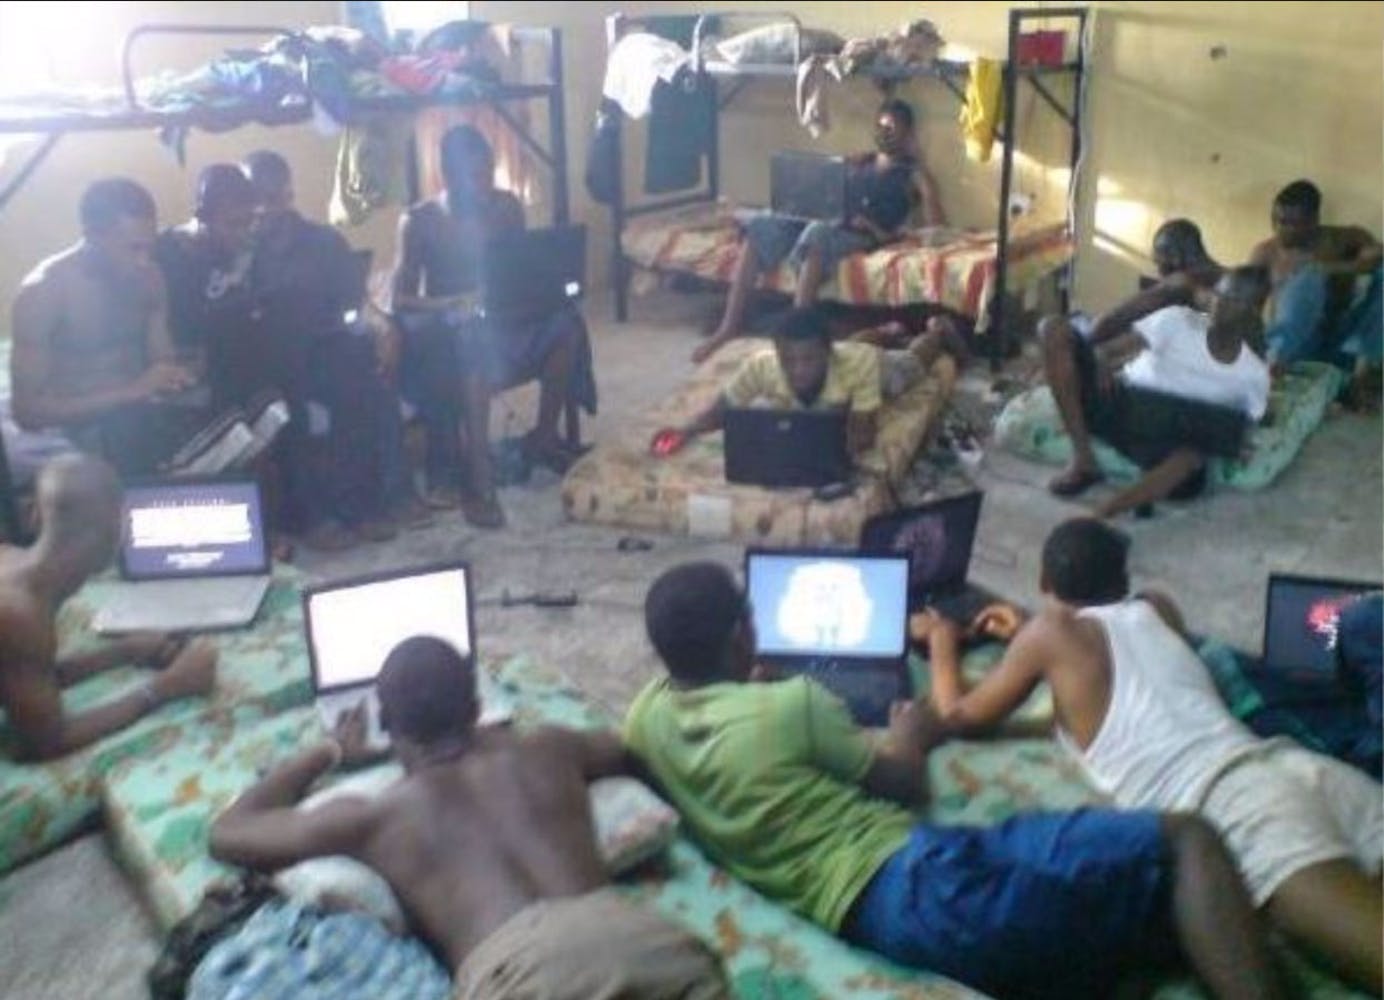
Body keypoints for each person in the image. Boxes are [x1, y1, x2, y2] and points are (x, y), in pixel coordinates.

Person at [625, 561, 1285, 1000]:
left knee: (1150, 920)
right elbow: (905, 782)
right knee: (1187, 840)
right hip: (924, 881)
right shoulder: (791, 704)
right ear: (744, 633)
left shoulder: (645, 718)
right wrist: (910, 736)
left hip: (890, 917)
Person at [914, 518, 1383, 994]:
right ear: (1123, 581)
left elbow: (956, 717)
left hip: (1235, 802)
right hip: (1297, 767)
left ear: (1042, 584)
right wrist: (1027, 649)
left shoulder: (1049, 633)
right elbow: (1090, 704)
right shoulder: (1158, 609)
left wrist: (942, 642)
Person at [209, 635, 728, 999]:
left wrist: (329, 752)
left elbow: (229, 832)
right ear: (478, 706)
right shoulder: (548, 750)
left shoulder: (372, 816)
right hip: (637, 944)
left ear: (386, 724)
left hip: (520, 979)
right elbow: (630, 749)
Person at [392, 125, 593, 528]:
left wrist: (541, 290)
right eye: (472, 177)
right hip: (458, 327)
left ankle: (545, 436)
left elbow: (520, 267)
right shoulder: (420, 221)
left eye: (487, 173)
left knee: (567, 325)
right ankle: (479, 472)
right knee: (474, 339)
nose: (482, 185)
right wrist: (456, 301)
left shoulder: (506, 207)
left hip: (508, 315)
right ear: (447, 175)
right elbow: (400, 300)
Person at [243, 150, 429, 549]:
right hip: (271, 358)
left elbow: (357, 299)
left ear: (289, 193)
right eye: (254, 199)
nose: (263, 209)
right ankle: (319, 517)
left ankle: (378, 501)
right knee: (294, 401)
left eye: (272, 197)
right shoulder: (242, 251)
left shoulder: (322, 241)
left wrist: (382, 327)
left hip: (326, 346)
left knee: (363, 380)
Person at [693, 98, 943, 364]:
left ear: (908, 133)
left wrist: (923, 180)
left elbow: (935, 227)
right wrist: (832, 175)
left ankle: (794, 338)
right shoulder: (861, 161)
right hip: (829, 217)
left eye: (892, 127)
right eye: (880, 126)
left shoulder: (910, 172)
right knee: (762, 227)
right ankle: (728, 328)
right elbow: (826, 190)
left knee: (818, 234)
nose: (884, 132)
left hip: (865, 232)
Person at [0, 456, 217, 761]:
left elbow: (24, 675)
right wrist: (166, 688)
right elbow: (42, 743)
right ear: (117, 535)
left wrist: (122, 653)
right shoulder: (20, 614)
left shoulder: (8, 559)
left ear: (33, 515)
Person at [1041, 265, 1272, 518]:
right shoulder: (1179, 320)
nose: (1219, 304)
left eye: (1233, 300)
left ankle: (1105, 513)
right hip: (1119, 401)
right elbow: (1108, 350)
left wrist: (1238, 443)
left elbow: (1241, 428)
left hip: (1168, 439)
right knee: (1052, 328)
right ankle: (1084, 460)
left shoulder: (1253, 374)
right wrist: (1100, 361)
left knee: (1193, 456)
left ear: (1253, 311)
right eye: (1217, 294)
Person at [11, 179, 206, 475]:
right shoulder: (44, 292)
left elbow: (161, 361)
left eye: (149, 247)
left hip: (137, 419)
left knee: (227, 443)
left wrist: (177, 375)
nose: (144, 260)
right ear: (92, 236)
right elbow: (27, 412)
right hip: (69, 432)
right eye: (133, 249)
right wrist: (132, 391)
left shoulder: (150, 278)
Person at [654, 305, 954, 464]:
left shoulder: (857, 366)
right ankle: (884, 330)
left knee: (912, 365)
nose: (798, 370)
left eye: (809, 359)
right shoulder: (761, 366)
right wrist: (687, 430)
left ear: (827, 351)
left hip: (873, 365)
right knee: (856, 345)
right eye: (788, 360)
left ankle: (936, 331)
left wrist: (831, 448)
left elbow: (863, 433)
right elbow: (723, 407)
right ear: (777, 353)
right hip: (847, 352)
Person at [1249, 180, 1382, 384]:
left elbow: (1376, 256)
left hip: (1342, 343)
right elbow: (1250, 310)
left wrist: (1329, 268)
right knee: (1308, 278)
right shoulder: (1265, 253)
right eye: (1276, 220)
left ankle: (1362, 377)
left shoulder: (1344, 238)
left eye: (1290, 223)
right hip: (1295, 349)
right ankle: (1273, 370)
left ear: (1313, 220)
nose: (1280, 229)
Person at [155, 164, 262, 409]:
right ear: (202, 217)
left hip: (231, 372)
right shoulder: (163, 253)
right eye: (232, 224)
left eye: (249, 222)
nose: (243, 232)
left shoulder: (247, 251)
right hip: (181, 373)